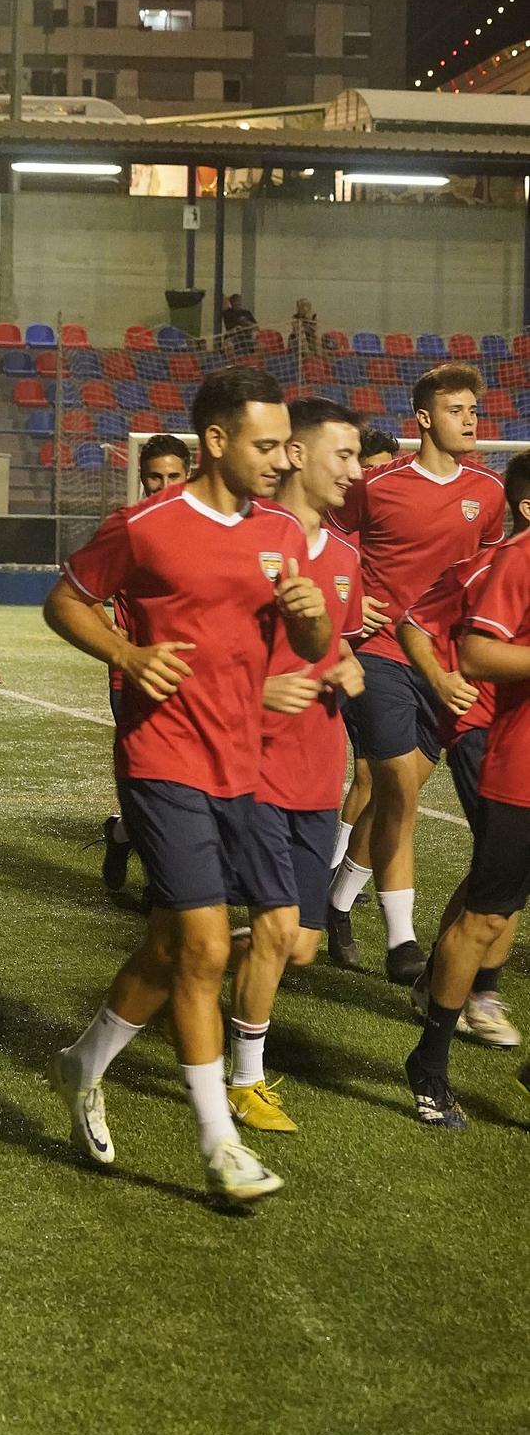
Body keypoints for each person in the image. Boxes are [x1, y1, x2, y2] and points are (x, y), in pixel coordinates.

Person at [42, 365, 330, 1205]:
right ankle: (218, 1142)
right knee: (205, 947)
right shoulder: (148, 525)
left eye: (285, 444)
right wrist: (127, 656)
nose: (282, 458)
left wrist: (309, 613)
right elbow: (69, 601)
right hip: (161, 759)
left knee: (176, 947)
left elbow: (308, 644)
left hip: (243, 766)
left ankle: (81, 1064)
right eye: (266, 443)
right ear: (216, 441)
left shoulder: (281, 530)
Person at [325, 366, 502, 981]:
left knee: (397, 796)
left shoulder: (490, 491)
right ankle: (402, 943)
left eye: (474, 408)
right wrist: (347, 601)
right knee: (397, 782)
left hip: (442, 661)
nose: (472, 419)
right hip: (379, 651)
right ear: (423, 418)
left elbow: (489, 574)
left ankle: (338, 900)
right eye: (457, 409)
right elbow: (322, 533)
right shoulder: (378, 485)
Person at [228, 399, 364, 1134]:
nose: (354, 470)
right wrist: (254, 692)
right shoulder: (246, 539)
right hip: (251, 770)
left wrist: (346, 664)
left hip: (318, 773)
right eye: (342, 456)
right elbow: (208, 650)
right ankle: (243, 1079)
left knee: (299, 947)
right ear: (298, 456)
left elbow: (333, 641)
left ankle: (188, 957)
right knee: (278, 930)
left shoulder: (344, 556)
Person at [397, 452, 530, 1051]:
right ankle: (475, 995)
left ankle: (452, 981)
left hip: (514, 732)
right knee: (499, 871)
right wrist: (438, 675)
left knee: (500, 871)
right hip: (485, 728)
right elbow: (415, 622)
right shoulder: (488, 567)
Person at [101, 433, 193, 895]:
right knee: (156, 786)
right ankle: (164, 893)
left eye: (173, 476)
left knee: (186, 785)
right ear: (141, 478)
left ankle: (121, 834)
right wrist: (111, 635)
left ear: (188, 475)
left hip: (197, 678)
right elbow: (79, 595)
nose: (164, 485)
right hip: (134, 677)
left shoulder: (211, 530)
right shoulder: (127, 530)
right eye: (154, 477)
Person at [329, 426, 400, 873]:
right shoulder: (337, 525)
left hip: (370, 657)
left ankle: (333, 864)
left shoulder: (387, 527)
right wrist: (353, 604)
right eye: (370, 470)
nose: (375, 479)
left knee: (370, 771)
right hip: (340, 654)